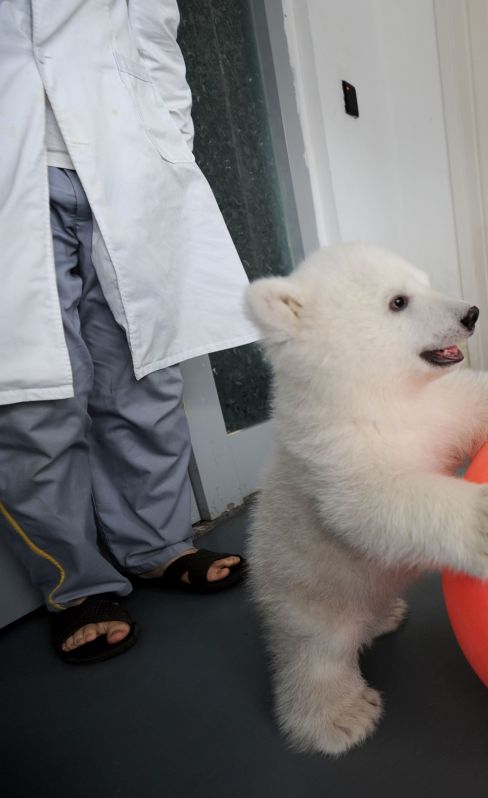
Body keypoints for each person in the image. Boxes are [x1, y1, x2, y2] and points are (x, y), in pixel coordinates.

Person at [0, 0, 260, 663]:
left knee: (144, 375)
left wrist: (169, 141)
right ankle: (76, 587)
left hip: (121, 153)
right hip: (12, 160)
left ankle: (157, 546)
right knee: (33, 401)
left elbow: (153, 33)